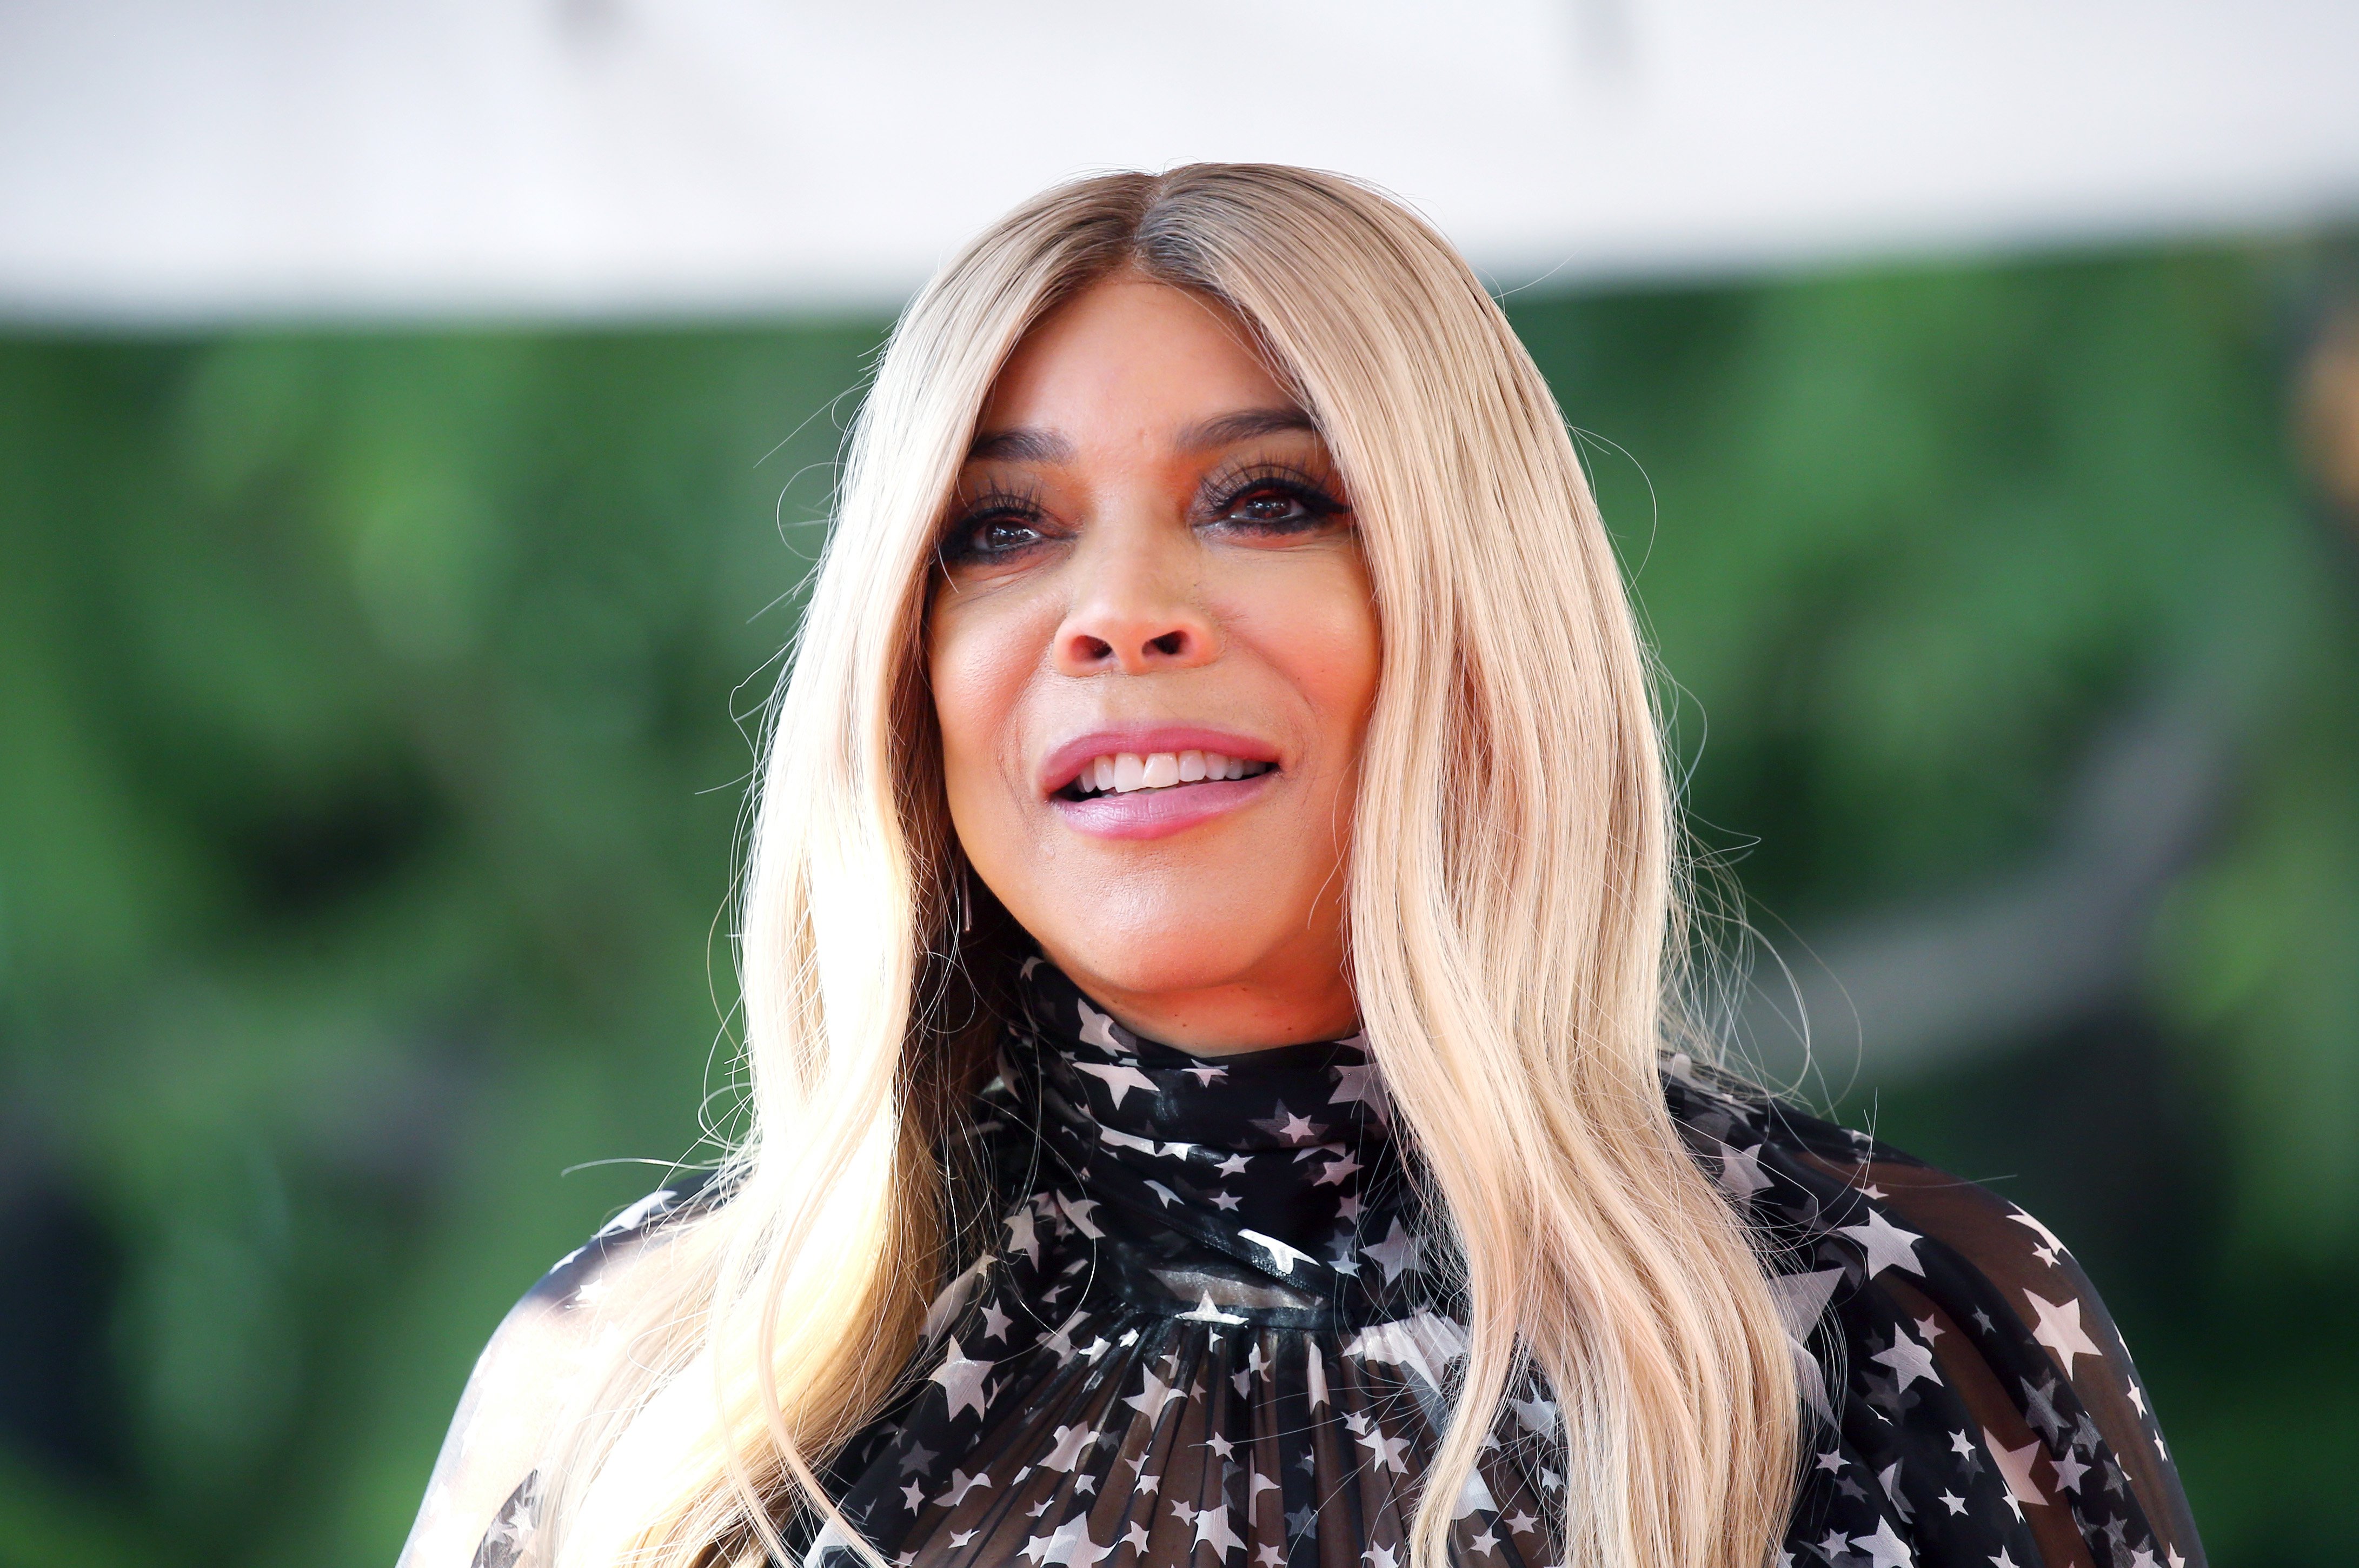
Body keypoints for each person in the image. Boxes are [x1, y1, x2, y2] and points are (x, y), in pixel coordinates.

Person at [399, 165, 2204, 1568]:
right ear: (901, 662)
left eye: (1264, 499)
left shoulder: (1881, 1328)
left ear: (1477, 610)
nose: (1116, 615)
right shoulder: (647, 1390)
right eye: (1000, 531)